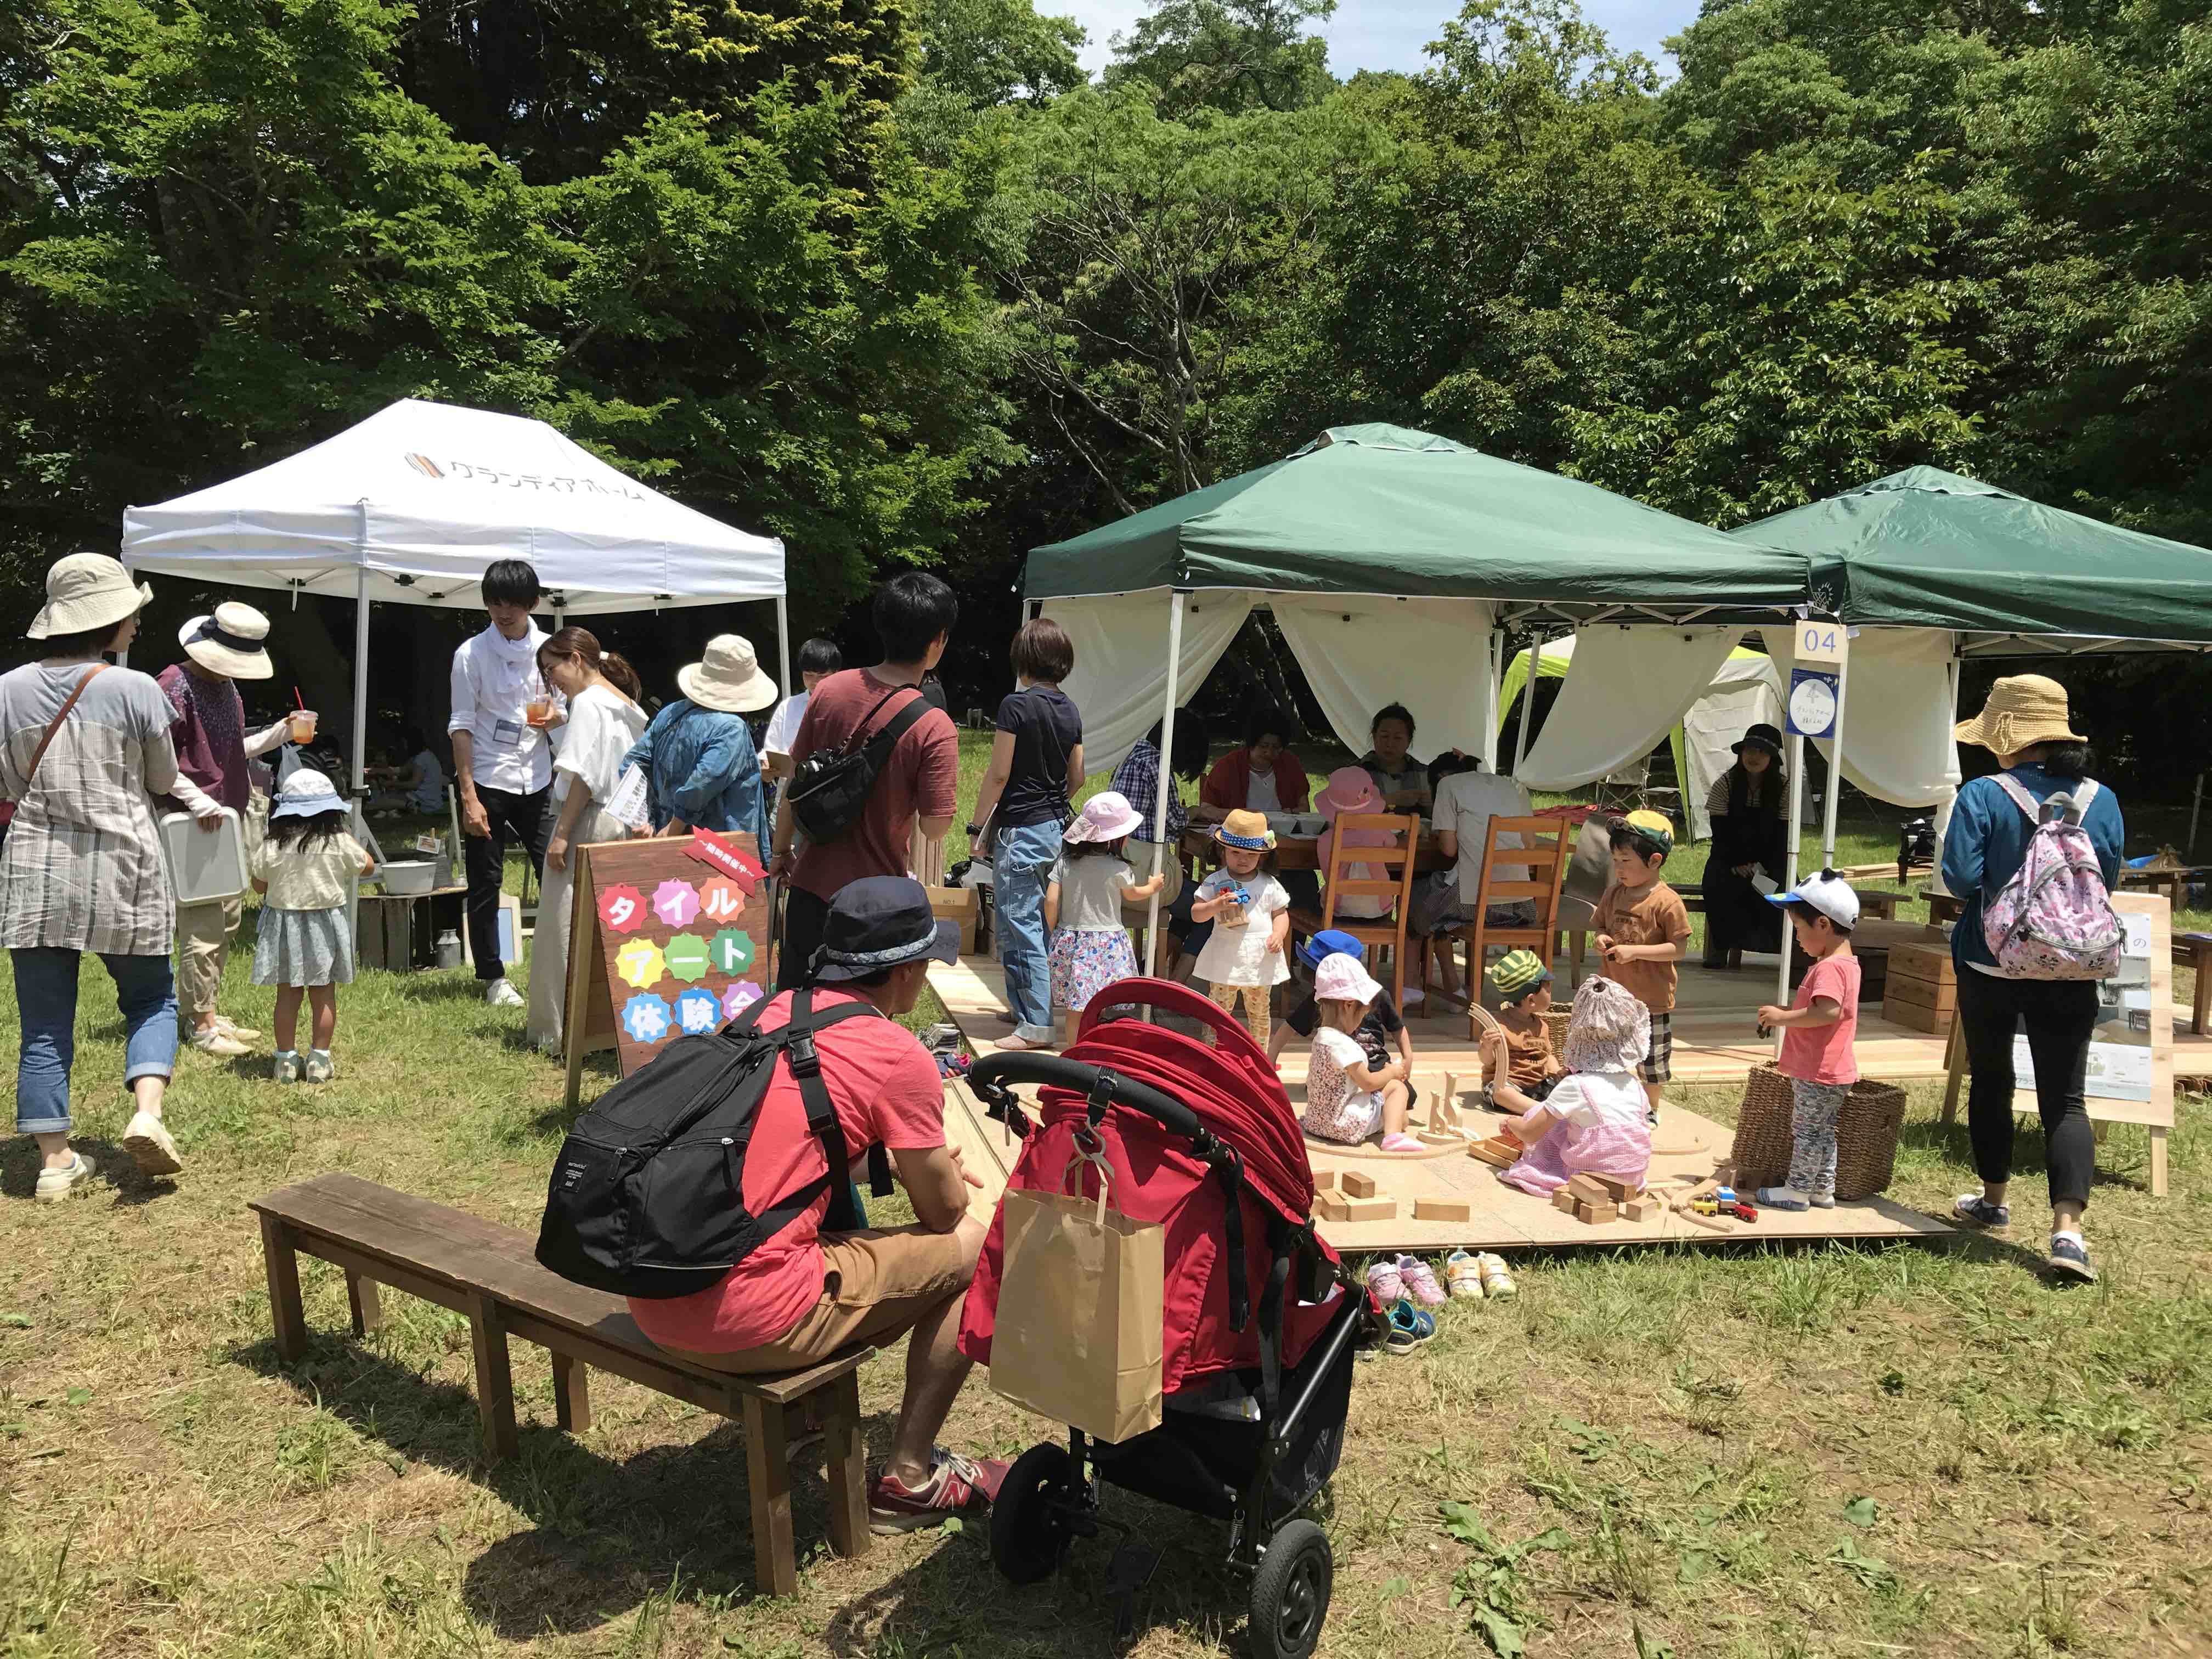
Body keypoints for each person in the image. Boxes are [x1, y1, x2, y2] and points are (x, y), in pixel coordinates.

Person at [625, 877, 1007, 1532]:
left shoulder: (764, 1015)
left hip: (658, 1290)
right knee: (978, 1247)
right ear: (906, 972)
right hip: (744, 1321)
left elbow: (783, 1146)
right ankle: (911, 1478)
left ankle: (805, 1420)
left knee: (805, 1233)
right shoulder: (898, 1055)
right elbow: (945, 1215)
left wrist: (886, 1162)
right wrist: (933, 1168)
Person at [3, 554, 188, 1197]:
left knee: (44, 1022)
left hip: (36, 867)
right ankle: (147, 1114)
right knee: (151, 998)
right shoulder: (137, 689)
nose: (136, 623)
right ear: (108, 622)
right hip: (124, 864)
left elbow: (8, 784)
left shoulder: (7, 689)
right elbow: (164, 780)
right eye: (131, 613)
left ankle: (54, 1162)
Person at [1942, 675, 2122, 1284]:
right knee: (2066, 1099)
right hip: (2073, 964)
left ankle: (1993, 1201)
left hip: (1990, 961)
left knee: (1992, 1079)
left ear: (2008, 737)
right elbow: (2107, 880)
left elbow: (1959, 878)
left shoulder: (1983, 794)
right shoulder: (2102, 799)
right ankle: (2069, 1233)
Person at [771, 574, 961, 992]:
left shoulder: (829, 691)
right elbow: (935, 828)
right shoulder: (935, 726)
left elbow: (794, 784)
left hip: (810, 888)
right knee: (859, 1018)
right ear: (938, 641)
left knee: (795, 1009)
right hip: (875, 907)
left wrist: (782, 850)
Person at [159, 602, 290, 1059]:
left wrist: (278, 734)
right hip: (191, 820)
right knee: (203, 924)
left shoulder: (226, 686)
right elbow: (155, 758)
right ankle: (201, 1025)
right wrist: (197, 799)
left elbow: (230, 750)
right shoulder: (173, 685)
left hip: (227, 817)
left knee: (228, 920)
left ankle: (207, 1011)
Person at [525, 629, 647, 1053]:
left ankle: (563, 1031)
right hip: (621, 822)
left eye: (552, 669)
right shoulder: (623, 700)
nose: (551, 680)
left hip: (589, 821)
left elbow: (583, 777)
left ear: (576, 659)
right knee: (616, 929)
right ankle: (612, 1024)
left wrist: (560, 836)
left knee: (565, 927)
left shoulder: (589, 702)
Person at [450, 559, 564, 1010]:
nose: (503, 612)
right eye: (495, 603)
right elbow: (461, 725)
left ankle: (563, 964)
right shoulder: (471, 654)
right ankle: (493, 977)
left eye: (513, 604)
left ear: (532, 603)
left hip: (539, 777)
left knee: (557, 871)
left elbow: (566, 707)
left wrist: (556, 717)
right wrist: (468, 795)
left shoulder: (550, 649)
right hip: (488, 776)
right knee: (485, 881)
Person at [968, 618, 1083, 1050]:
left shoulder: (1015, 706)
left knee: (1022, 925)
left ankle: (1036, 1025)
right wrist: (1051, 802)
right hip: (1054, 830)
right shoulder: (1070, 709)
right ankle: (1023, 1009)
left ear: (1024, 659)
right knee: (1031, 923)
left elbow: (999, 774)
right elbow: (1078, 776)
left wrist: (977, 826)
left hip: (1019, 830)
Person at [251, 768, 376, 1084]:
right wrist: (346, 839)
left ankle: (285, 1061)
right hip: (325, 927)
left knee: (287, 995)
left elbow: (258, 884)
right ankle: (319, 1060)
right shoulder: (337, 841)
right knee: (323, 995)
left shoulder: (273, 844)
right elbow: (368, 866)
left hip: (284, 927)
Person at [1753, 872, 1861, 1211]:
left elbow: (1827, 1012)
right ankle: (1822, 1189)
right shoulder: (1847, 964)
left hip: (1816, 1071)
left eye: (1799, 929)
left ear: (1824, 924)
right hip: (1833, 1070)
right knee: (1823, 1131)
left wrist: (1782, 1018)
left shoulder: (1829, 968)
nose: (1797, 937)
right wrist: (1786, 1013)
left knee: (1806, 1132)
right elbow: (1825, 1011)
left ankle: (1797, 1192)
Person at [1495, 975, 1652, 1199]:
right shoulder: (1634, 1084)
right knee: (1565, 1119)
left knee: (1548, 1122)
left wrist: (1513, 1124)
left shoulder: (1576, 1085)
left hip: (1588, 1178)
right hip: (1633, 1179)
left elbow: (1530, 1134)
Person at [622, 634, 776, 843]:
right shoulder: (732, 728)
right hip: (719, 848)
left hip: (663, 839)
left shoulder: (671, 713)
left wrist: (642, 820)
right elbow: (702, 783)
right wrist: (674, 828)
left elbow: (632, 764)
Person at [1406, 754, 1535, 1002]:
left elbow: (1448, 850)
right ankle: (1452, 988)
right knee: (1440, 906)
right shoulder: (1512, 786)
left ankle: (1411, 985)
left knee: (1416, 899)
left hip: (1474, 906)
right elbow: (1529, 844)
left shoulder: (1448, 785)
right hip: (1521, 907)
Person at [1592, 809, 1690, 1125]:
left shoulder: (1667, 902)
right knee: (1609, 1055)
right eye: (1615, 860)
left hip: (1651, 1002)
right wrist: (1601, 938)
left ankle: (1650, 1109)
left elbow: (1678, 949)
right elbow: (1601, 927)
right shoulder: (1613, 894)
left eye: (1626, 861)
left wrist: (1635, 952)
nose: (1618, 868)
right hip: (1613, 998)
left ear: (1655, 861)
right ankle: (1613, 1104)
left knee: (1652, 1061)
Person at [1045, 792, 1163, 1046]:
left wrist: (1054, 929)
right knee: (1105, 1001)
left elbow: (1051, 901)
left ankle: (1075, 1051)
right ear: (1116, 838)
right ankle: (1099, 1048)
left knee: (1075, 1007)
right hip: (1108, 943)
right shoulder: (1118, 868)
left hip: (1072, 939)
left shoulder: (1065, 863)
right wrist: (1153, 887)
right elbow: (1133, 894)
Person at [1109, 714, 1211, 968]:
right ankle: (1174, 982)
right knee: (1208, 911)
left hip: (1116, 872)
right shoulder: (1157, 764)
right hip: (1144, 879)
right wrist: (1196, 811)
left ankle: (1152, 968)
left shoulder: (1130, 755)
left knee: (1190, 907)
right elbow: (1175, 822)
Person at [1189, 811, 1291, 1046]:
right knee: (1217, 1011)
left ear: (1262, 855)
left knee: (1260, 1012)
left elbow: (1280, 913)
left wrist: (1279, 933)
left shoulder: (1269, 884)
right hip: (1225, 958)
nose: (1243, 859)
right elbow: (1197, 914)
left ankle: (1260, 1055)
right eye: (1236, 852)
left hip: (1260, 959)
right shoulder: (1215, 882)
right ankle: (1212, 1052)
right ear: (1223, 850)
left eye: (1250, 855)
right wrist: (1215, 905)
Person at [1299, 952, 1419, 1151]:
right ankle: (1392, 1137)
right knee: (1397, 1088)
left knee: (1400, 1116)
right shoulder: (1343, 1045)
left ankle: (1391, 1122)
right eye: (1362, 1015)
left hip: (1317, 1121)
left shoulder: (1321, 1037)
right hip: (1340, 1125)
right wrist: (1391, 1072)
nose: (1361, 1022)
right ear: (1348, 1005)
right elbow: (1368, 1083)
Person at [1271, 931, 1414, 1082]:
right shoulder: (1320, 1000)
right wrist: (1271, 1057)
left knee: (1403, 1091)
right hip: (1336, 1072)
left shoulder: (1377, 995)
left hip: (1373, 1065)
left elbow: (1397, 1027)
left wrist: (1408, 1056)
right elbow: (1291, 1025)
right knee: (1396, 1090)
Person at [1702, 723, 1789, 968]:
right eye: (1750, 750)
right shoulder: (1725, 785)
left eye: (1762, 752)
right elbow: (1720, 836)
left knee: (1781, 890)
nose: (1754, 757)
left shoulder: (1785, 788)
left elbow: (1783, 838)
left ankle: (1786, 953)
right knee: (1718, 883)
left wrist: (1761, 867)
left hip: (1771, 859)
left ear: (1772, 758)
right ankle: (1720, 948)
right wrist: (1735, 865)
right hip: (1729, 857)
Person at [1477, 949, 1564, 1105]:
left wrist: (1558, 1072)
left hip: (1538, 1084)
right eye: (1548, 988)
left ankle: (1540, 1108)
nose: (1551, 991)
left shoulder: (1541, 1026)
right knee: (1500, 1093)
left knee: (1570, 1087)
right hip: (1508, 1083)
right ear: (1531, 1001)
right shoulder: (1499, 1026)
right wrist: (1487, 1047)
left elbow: (1547, 1056)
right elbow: (1487, 1061)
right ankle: (1539, 1109)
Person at [1197, 706, 1310, 820]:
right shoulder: (1228, 766)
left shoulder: (1290, 763)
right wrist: (1239, 815)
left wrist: (1289, 813)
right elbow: (1206, 809)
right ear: (1252, 743)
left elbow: (1304, 808)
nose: (1269, 752)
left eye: (1276, 747)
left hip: (1283, 830)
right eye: (1264, 746)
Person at [1313, 767, 1396, 922]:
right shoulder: (1380, 832)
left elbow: (1328, 875)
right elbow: (1393, 843)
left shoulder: (1326, 839)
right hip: (1379, 911)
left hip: (1338, 911)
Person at [760, 637, 843, 783]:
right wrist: (764, 766)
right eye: (808, 675)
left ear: (836, 673)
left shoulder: (844, 706)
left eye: (822, 676)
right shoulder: (788, 706)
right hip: (790, 788)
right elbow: (769, 751)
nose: (815, 682)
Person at [1358, 703, 1430, 812]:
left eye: (1398, 738)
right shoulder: (1355, 773)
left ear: (1409, 741)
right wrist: (1391, 800)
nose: (1390, 744)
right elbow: (1341, 812)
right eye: (1385, 736)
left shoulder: (1426, 776)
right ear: (1374, 736)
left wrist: (1435, 804)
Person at [367, 727, 446, 817]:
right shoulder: (422, 755)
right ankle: (400, 807)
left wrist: (392, 784)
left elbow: (414, 784)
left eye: (405, 743)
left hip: (426, 803)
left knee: (378, 803)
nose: (404, 746)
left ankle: (410, 806)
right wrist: (376, 771)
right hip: (429, 800)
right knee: (386, 798)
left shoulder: (422, 759)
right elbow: (402, 770)